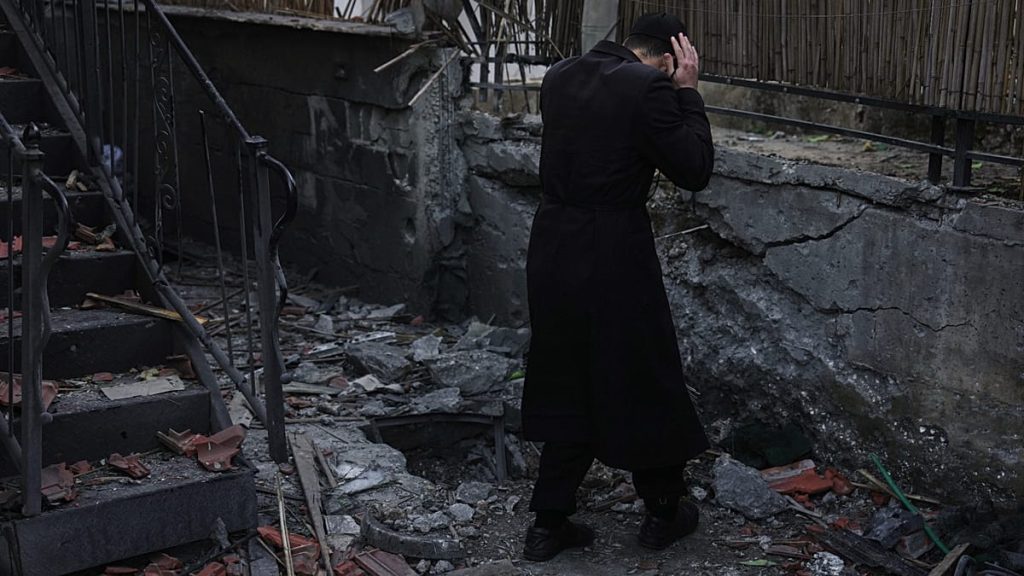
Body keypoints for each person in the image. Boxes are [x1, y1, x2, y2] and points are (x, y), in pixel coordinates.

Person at [520, 12, 714, 562]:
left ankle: (547, 523)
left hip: (552, 242)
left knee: (566, 372)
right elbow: (694, 169)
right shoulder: (650, 86)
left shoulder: (561, 74)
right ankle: (662, 512)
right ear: (670, 56)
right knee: (643, 375)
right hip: (612, 245)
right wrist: (687, 92)